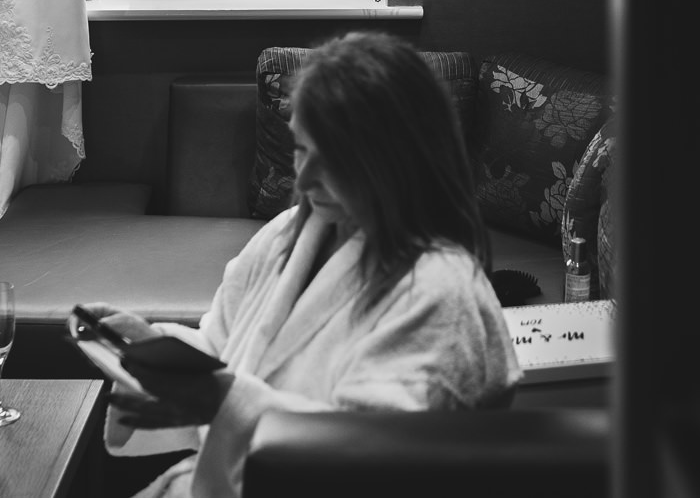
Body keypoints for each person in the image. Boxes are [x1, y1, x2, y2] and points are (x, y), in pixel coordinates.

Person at [82, 31, 521, 498]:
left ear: (396, 156)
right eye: (300, 149)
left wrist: (223, 402)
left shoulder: (441, 293)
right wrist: (158, 348)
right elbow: (232, 352)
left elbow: (376, 461)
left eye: (329, 158)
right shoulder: (290, 233)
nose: (304, 176)